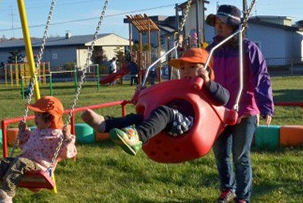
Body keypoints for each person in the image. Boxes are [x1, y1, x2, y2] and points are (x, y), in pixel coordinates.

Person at [81, 48, 229, 156]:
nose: (186, 71)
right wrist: (144, 92)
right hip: (168, 122)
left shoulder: (208, 87)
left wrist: (208, 82)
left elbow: (224, 98)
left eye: (192, 67)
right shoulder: (179, 86)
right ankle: (104, 124)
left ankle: (137, 137)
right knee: (138, 117)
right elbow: (160, 96)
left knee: (165, 112)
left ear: (206, 70)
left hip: (189, 124)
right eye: (183, 68)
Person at [206, 4, 274, 203]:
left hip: (244, 110)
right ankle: (228, 188)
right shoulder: (211, 51)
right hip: (219, 111)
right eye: (216, 23)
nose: (218, 27)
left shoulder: (248, 48)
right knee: (220, 153)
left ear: (234, 25)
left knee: (240, 155)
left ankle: (243, 198)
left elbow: (261, 78)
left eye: (222, 23)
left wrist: (266, 107)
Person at [0, 96, 77, 203]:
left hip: (40, 167)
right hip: (22, 163)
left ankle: (6, 194)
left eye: (38, 116)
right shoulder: (36, 132)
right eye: (35, 115)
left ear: (50, 118)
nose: (35, 118)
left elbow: (69, 152)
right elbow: (27, 146)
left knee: (21, 162)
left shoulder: (58, 135)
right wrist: (24, 131)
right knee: (1, 162)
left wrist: (67, 137)